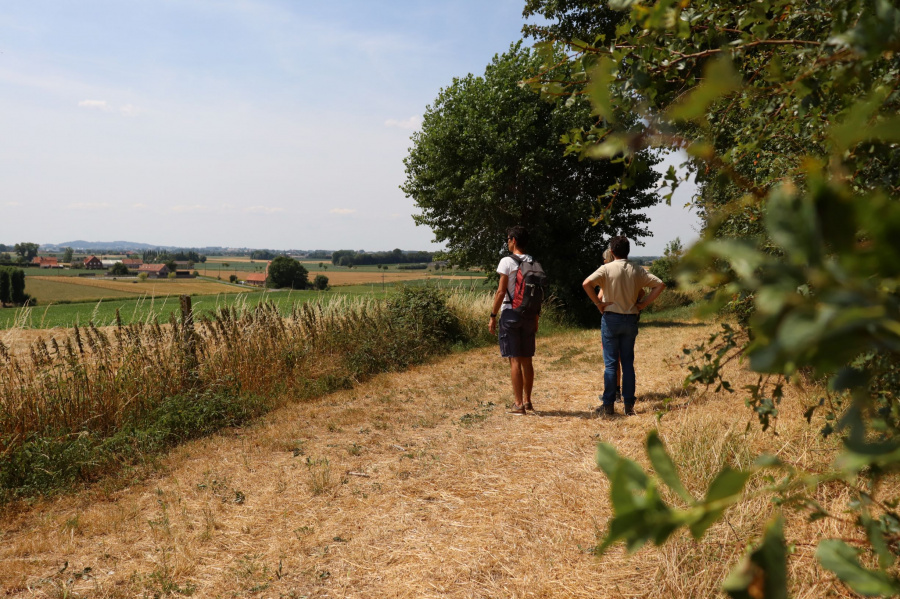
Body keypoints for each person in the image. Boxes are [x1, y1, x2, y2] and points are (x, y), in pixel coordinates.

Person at [582, 236, 665, 416]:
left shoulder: (606, 268)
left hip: (611, 318)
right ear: (628, 251)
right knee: (628, 364)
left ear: (612, 252)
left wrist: (598, 303)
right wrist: (642, 304)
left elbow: (586, 284)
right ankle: (629, 405)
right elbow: (660, 285)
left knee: (611, 364)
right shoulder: (637, 269)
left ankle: (608, 405)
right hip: (630, 319)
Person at [489, 226, 539, 415]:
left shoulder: (506, 261)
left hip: (510, 313)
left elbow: (501, 292)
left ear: (514, 240)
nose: (507, 242)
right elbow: (537, 293)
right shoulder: (533, 261)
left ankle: (518, 404)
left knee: (515, 360)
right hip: (528, 313)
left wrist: (493, 315)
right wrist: (535, 317)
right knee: (527, 360)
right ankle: (527, 401)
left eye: (508, 239)